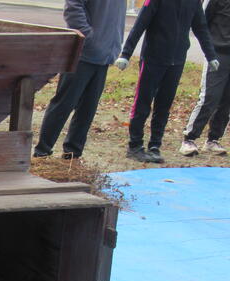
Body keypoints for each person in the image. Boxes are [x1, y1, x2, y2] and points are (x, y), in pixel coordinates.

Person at [116, 0, 219, 163]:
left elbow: (201, 28)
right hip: (153, 58)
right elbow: (140, 24)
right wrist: (126, 54)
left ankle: (155, 145)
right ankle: (135, 146)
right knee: (142, 103)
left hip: (176, 61)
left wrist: (211, 55)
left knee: (164, 106)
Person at [33, 0, 128, 159]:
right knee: (64, 103)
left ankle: (73, 153)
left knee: (88, 108)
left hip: (105, 56)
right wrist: (88, 37)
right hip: (82, 54)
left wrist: (115, 44)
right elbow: (73, 6)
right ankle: (42, 150)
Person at [179, 0, 230, 156]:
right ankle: (189, 138)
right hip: (217, 54)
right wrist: (210, 49)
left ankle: (213, 140)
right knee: (210, 97)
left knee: (226, 101)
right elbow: (201, 21)